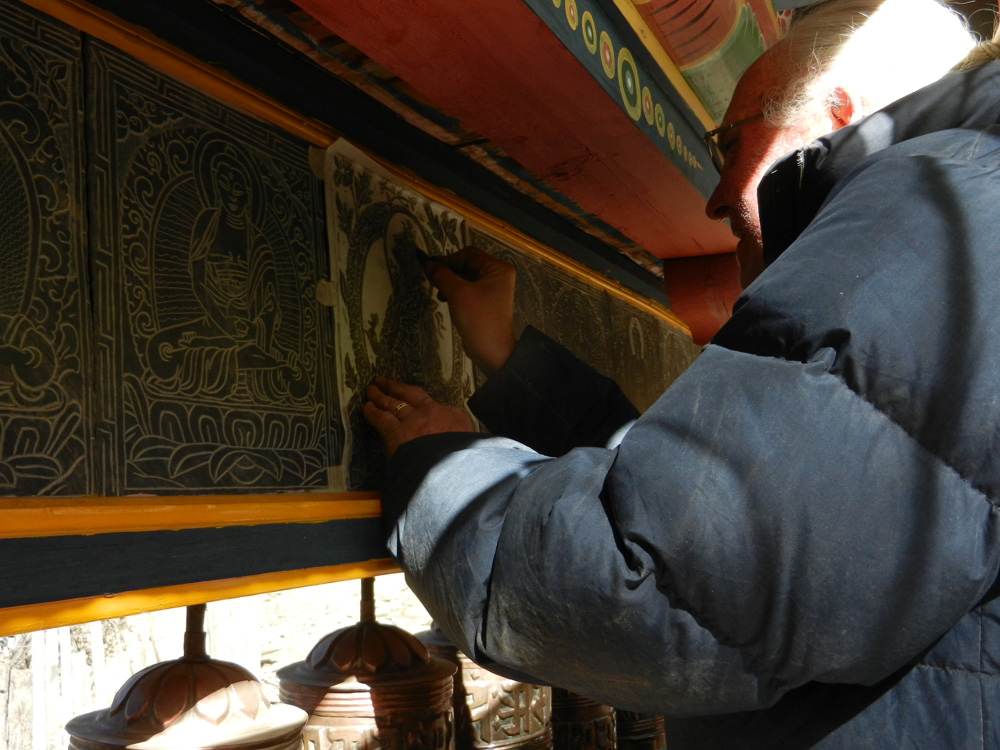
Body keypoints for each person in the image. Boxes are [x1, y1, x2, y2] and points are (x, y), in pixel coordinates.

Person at [363, 0, 1000, 746]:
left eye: (730, 141)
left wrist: (442, 469)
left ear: (840, 107)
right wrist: (509, 360)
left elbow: (656, 593)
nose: (719, 192)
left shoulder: (944, 200)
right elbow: (717, 499)